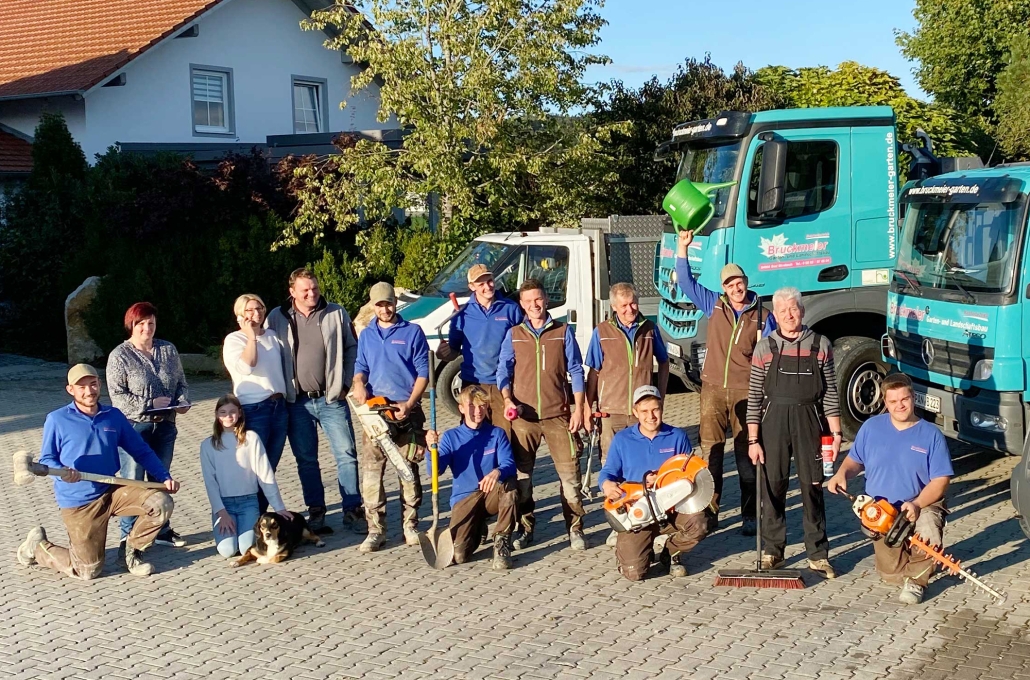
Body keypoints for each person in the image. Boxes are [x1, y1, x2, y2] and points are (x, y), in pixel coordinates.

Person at [17, 364, 179, 579]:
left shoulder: (113, 416)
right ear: (70, 390)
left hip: (111, 489)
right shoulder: (57, 419)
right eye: (81, 387)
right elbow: (47, 459)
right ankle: (37, 547)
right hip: (79, 501)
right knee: (87, 571)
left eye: (92, 384)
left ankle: (130, 554)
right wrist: (64, 471)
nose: (88, 391)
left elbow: (141, 451)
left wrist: (164, 476)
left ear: (99, 384)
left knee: (161, 504)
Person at [675, 228, 776, 536]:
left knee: (747, 454)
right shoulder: (713, 304)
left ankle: (749, 514)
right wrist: (683, 247)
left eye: (740, 282)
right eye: (730, 284)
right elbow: (685, 280)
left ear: (747, 283)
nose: (736, 288)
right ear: (723, 287)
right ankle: (710, 511)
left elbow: (773, 354)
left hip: (746, 391)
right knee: (711, 453)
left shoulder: (762, 315)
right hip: (712, 390)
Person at [827, 373, 953, 604]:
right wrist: (842, 473)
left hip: (920, 503)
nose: (899, 406)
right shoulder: (871, 427)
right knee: (891, 575)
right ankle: (915, 561)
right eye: (893, 401)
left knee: (929, 533)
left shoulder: (931, 434)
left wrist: (916, 504)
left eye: (904, 399)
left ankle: (917, 581)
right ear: (885, 402)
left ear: (913, 397)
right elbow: (855, 460)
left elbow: (941, 481)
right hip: (882, 512)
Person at [746, 286, 841, 579]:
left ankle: (817, 554)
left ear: (802, 311)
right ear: (775, 315)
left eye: (794, 309)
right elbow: (753, 397)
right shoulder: (765, 347)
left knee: (812, 487)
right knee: (773, 487)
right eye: (783, 310)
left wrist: (836, 435)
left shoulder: (821, 344)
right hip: (772, 422)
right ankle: (773, 551)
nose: (789, 315)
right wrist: (753, 439)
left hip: (810, 421)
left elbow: (831, 394)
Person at [266, 268, 362, 534]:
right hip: (297, 402)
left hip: (331, 399)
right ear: (292, 292)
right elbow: (266, 351)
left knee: (346, 455)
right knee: (306, 460)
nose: (311, 293)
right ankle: (316, 512)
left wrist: (346, 383)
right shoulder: (277, 317)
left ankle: (353, 510)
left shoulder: (335, 312)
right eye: (305, 289)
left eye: (315, 288)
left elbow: (352, 347)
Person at [498, 279, 588, 552]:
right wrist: (506, 398)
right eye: (528, 302)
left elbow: (575, 370)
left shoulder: (562, 331)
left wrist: (579, 408)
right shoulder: (514, 333)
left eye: (538, 299)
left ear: (546, 300)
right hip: (524, 418)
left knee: (570, 477)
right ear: (522, 305)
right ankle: (526, 529)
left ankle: (575, 528)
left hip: (558, 416)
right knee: (523, 479)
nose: (534, 305)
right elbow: (503, 370)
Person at [585, 282, 670, 546]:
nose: (630, 309)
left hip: (641, 412)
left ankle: (650, 516)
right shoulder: (602, 332)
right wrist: (589, 405)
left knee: (643, 465)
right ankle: (618, 519)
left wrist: (660, 397)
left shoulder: (649, 329)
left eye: (633, 303)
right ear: (613, 307)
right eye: (624, 305)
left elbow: (664, 362)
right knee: (612, 467)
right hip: (612, 411)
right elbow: (594, 372)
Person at [598, 385, 708, 581]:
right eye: (644, 411)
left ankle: (671, 552)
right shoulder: (622, 439)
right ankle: (636, 552)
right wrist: (606, 484)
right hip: (638, 509)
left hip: (673, 509)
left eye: (655, 409)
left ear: (662, 408)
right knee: (635, 574)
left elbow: (690, 473)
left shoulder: (677, 436)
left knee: (698, 524)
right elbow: (608, 472)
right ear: (635, 412)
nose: (651, 416)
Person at [351, 282, 430, 552]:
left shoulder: (412, 332)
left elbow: (423, 373)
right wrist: (358, 382)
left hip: (407, 412)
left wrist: (409, 404)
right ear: (372, 306)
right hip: (375, 414)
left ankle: (410, 526)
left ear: (395, 304)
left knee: (408, 469)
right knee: (372, 474)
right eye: (379, 304)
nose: (384, 309)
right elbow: (361, 367)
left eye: (388, 303)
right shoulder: (367, 335)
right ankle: (376, 530)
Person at [107, 301, 189, 552]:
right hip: (134, 429)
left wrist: (183, 400)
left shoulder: (168, 350)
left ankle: (161, 530)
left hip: (165, 427)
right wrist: (148, 402)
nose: (147, 328)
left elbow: (181, 383)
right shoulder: (120, 356)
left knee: (160, 480)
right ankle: (127, 536)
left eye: (151, 322)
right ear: (131, 325)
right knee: (133, 483)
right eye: (141, 323)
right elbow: (117, 397)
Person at [426, 385, 517, 569]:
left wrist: (497, 471)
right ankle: (477, 527)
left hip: (490, 493)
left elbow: (510, 464)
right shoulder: (452, 437)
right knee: (459, 556)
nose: (478, 411)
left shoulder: (496, 433)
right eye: (472, 406)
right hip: (465, 498)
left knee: (510, 487)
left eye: (482, 406)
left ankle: (502, 543)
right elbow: (435, 472)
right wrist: (431, 450)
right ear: (461, 408)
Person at [200, 394, 294, 559]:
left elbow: (265, 475)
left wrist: (279, 507)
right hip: (224, 505)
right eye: (223, 412)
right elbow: (210, 482)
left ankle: (240, 531)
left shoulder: (251, 438)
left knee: (246, 549)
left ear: (240, 413)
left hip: (248, 503)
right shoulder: (208, 445)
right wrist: (221, 513)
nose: (228, 416)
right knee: (227, 551)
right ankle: (229, 531)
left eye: (232, 412)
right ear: (216, 415)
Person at [436, 264, 523, 433]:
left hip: (503, 384)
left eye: (489, 281)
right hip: (473, 383)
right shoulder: (461, 314)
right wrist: (443, 354)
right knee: (474, 435)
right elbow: (453, 351)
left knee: (503, 435)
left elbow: (522, 343)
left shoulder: (510, 308)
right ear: (471, 287)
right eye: (480, 284)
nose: (487, 287)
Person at [222, 294, 289, 512]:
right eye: (249, 310)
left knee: (271, 464)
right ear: (239, 314)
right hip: (255, 409)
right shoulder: (234, 340)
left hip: (279, 406)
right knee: (254, 467)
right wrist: (251, 337)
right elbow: (247, 366)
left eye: (259, 308)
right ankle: (251, 516)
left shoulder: (271, 336)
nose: (256, 313)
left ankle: (261, 513)